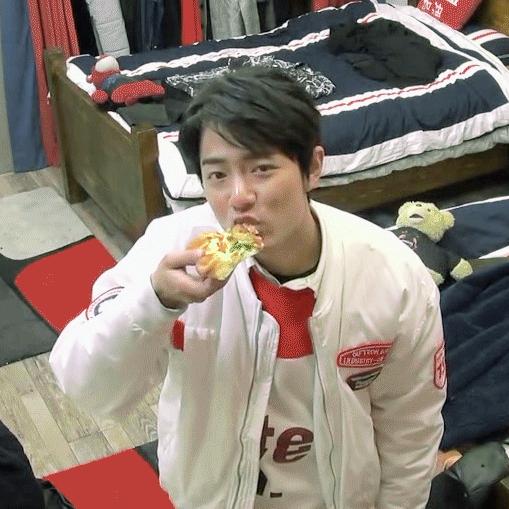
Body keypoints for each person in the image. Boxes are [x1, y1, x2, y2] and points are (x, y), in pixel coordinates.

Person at [49, 67, 446, 508]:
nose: (239, 196)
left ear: (313, 167)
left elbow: (411, 431)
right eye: (218, 175)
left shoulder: (394, 276)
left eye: (261, 169)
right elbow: (84, 386)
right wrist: (155, 301)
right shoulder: (171, 248)